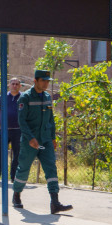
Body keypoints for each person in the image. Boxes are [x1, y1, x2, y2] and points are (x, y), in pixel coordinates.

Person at [12, 70, 72, 214]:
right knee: (24, 168)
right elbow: (22, 121)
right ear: (35, 81)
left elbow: (51, 119)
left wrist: (53, 137)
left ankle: (55, 202)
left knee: (51, 168)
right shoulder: (25, 98)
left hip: (45, 140)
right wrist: (30, 138)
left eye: (47, 81)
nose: (46, 83)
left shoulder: (47, 97)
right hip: (29, 141)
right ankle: (16, 195)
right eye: (43, 81)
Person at [0, 78, 22, 182]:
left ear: (20, 86)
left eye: (17, 84)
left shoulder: (23, 97)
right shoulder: (3, 97)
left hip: (18, 130)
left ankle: (14, 176)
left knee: (17, 154)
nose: (14, 85)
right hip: (4, 130)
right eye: (13, 84)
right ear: (9, 85)